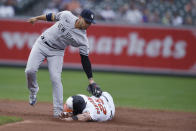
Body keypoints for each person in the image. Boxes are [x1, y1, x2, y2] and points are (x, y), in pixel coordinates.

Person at [25, 9, 102, 118]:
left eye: (90, 23)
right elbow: (51, 17)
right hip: (41, 44)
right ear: (80, 17)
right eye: (87, 21)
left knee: (56, 79)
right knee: (30, 71)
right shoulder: (67, 15)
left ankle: (58, 112)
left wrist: (91, 80)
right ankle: (33, 91)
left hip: (57, 52)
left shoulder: (83, 40)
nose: (88, 24)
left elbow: (85, 59)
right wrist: (37, 18)